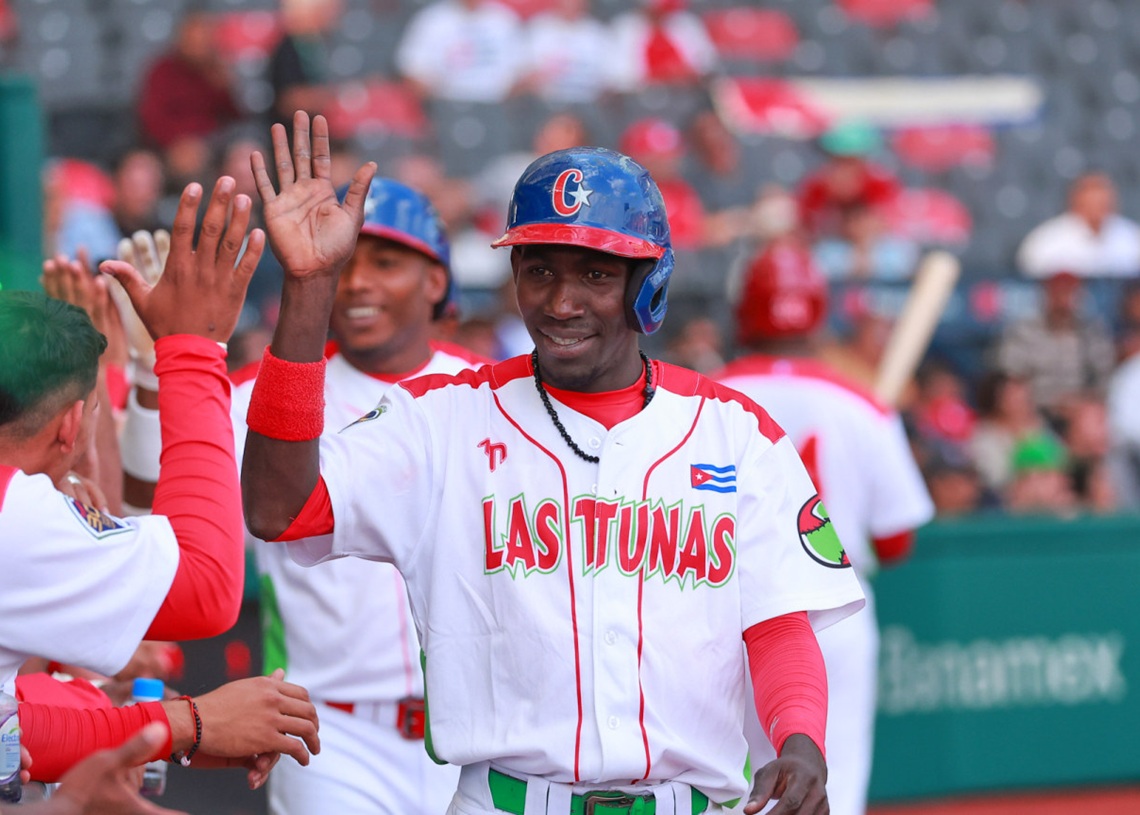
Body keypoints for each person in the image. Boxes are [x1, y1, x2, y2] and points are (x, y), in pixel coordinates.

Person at [241, 111, 865, 814]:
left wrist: (803, 739)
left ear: (647, 282)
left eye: (595, 273)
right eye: (539, 271)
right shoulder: (441, 419)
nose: (562, 302)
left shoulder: (734, 432)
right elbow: (278, 509)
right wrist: (307, 293)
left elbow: (778, 622)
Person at [0, 176, 257, 699]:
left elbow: (24, 717)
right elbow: (206, 584)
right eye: (99, 407)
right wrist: (191, 349)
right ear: (73, 425)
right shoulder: (18, 515)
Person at [714, 241, 934, 815]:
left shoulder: (699, 399)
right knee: (827, 794)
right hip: (837, 614)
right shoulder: (861, 402)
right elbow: (897, 540)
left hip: (723, 614)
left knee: (729, 795)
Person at [135, 6, 242, 186]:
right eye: (194, 35)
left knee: (244, 159)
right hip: (172, 146)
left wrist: (226, 86)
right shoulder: (161, 70)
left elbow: (235, 118)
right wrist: (180, 142)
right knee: (186, 160)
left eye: (204, 36)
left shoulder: (218, 71)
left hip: (214, 144)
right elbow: (152, 119)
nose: (198, 43)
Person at [995, 270, 1115, 425]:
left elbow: (1105, 377)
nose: (1063, 298)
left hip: (1079, 412)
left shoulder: (1092, 331)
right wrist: (1048, 402)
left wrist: (1084, 401)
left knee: (1094, 421)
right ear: (1045, 294)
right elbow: (1010, 378)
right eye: (1057, 291)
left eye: (1069, 291)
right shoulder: (1023, 331)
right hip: (1035, 411)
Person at [1016, 172, 1140, 279]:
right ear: (1074, 199)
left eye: (1103, 195)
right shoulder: (1046, 242)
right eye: (1091, 194)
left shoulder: (1133, 238)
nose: (1097, 203)